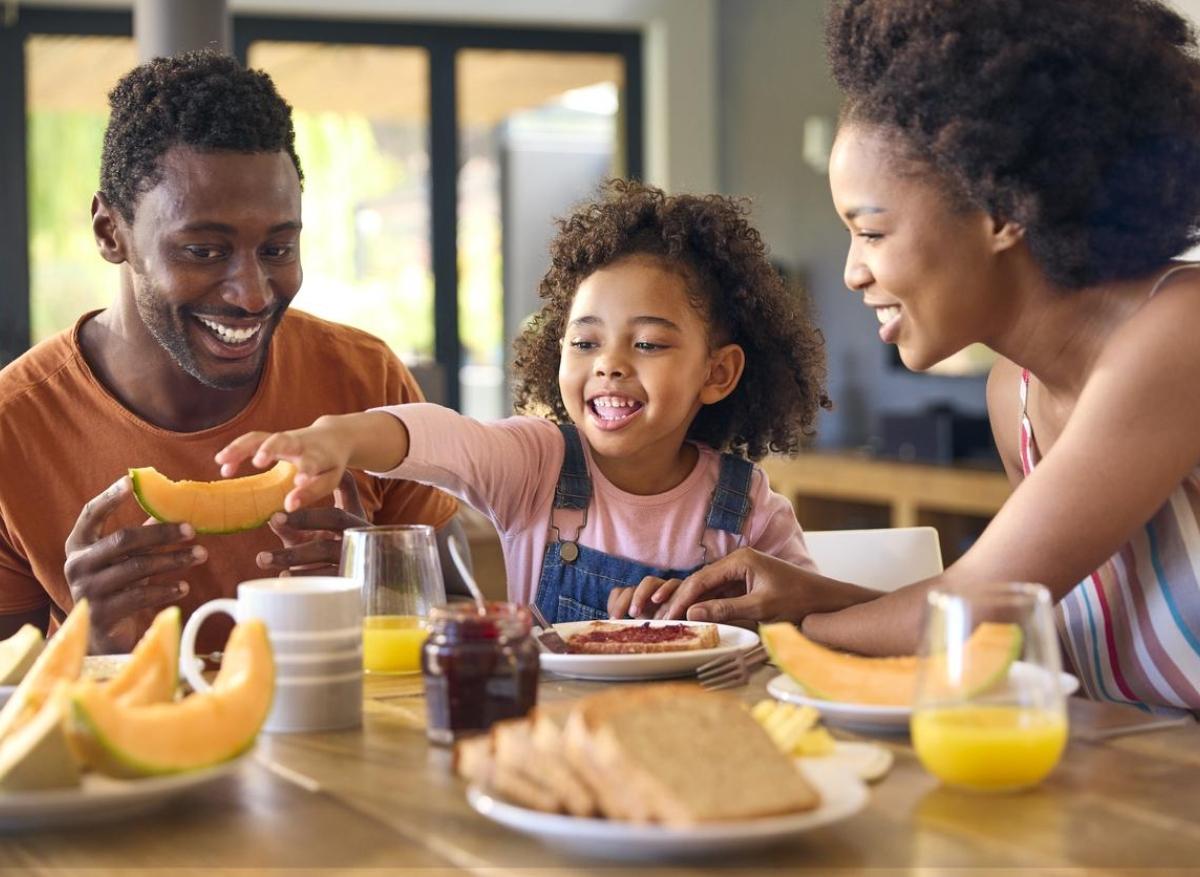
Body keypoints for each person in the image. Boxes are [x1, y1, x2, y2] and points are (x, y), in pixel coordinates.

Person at [652, 0, 1200, 714]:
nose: (852, 272)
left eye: (872, 232)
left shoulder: (1180, 330)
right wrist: (816, 596)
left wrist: (786, 627)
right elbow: (1018, 624)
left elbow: (977, 610)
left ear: (1001, 211)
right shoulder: (1017, 399)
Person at [0, 50, 464, 655]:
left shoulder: (366, 379)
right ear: (110, 232)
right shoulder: (14, 428)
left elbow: (468, 624)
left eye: (277, 249)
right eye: (203, 251)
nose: (251, 295)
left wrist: (384, 589)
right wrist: (89, 642)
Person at [215, 180, 831, 623]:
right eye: (585, 341)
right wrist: (340, 437)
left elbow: (808, 618)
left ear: (717, 373)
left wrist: (737, 620)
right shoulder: (537, 464)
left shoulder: (745, 505)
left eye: (647, 343)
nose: (609, 363)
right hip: (553, 740)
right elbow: (441, 437)